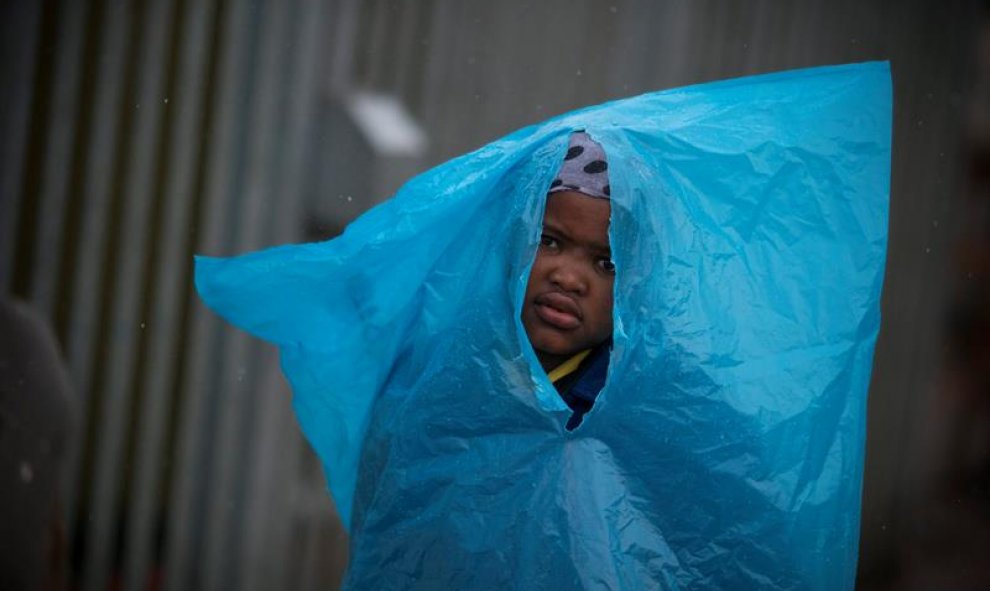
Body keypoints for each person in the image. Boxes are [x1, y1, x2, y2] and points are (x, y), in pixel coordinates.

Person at [522, 132, 613, 430]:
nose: (569, 279)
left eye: (606, 264)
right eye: (548, 242)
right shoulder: (437, 352)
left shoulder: (628, 407)